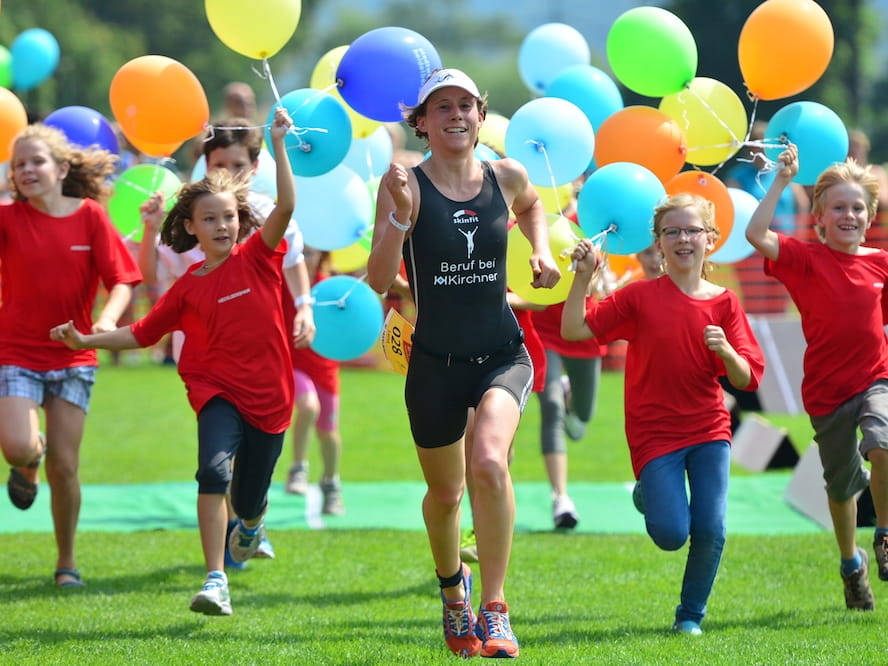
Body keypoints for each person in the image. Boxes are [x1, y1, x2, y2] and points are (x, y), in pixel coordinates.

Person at [51, 107, 297, 616]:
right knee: (212, 472)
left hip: (271, 398)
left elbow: (288, 205)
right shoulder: (186, 289)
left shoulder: (260, 256)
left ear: (240, 219)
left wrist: (279, 146)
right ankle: (215, 578)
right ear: (191, 227)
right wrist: (88, 336)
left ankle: (251, 524)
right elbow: (140, 334)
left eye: (229, 216)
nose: (222, 225)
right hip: (215, 392)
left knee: (250, 499)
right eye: (210, 218)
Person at [367, 68, 560, 658]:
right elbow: (377, 280)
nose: (454, 115)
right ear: (421, 122)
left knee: (490, 464)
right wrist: (401, 214)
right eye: (440, 107)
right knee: (446, 496)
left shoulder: (506, 175)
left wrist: (543, 252)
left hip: (502, 353)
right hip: (433, 363)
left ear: (480, 116)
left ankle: (495, 609)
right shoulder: (406, 184)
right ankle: (454, 592)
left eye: (465, 106)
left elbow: (531, 208)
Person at [562, 192, 765, 635]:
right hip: (654, 433)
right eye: (671, 232)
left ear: (710, 239)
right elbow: (574, 329)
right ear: (657, 243)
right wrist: (582, 278)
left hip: (710, 428)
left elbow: (748, 377)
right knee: (672, 534)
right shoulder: (639, 298)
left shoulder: (725, 303)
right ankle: (649, 495)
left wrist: (727, 351)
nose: (682, 239)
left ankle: (690, 616)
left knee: (711, 528)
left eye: (692, 230)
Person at [139, 116, 315, 566]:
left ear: (254, 166)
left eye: (238, 165)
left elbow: (290, 257)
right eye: (220, 163)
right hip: (205, 358)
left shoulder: (256, 221)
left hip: (259, 359)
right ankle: (223, 557)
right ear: (204, 164)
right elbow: (154, 281)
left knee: (253, 460)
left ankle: (249, 521)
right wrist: (150, 227)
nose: (228, 173)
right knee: (220, 457)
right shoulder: (194, 212)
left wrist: (306, 306)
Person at [745, 143, 888, 611]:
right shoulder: (804, 259)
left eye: (857, 207)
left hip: (875, 380)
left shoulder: (880, 264)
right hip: (826, 392)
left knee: (883, 442)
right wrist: (783, 180)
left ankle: (885, 536)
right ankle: (851, 563)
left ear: (870, 217)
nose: (849, 214)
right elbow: (756, 232)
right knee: (842, 486)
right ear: (820, 219)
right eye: (838, 208)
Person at [0, 124, 142, 587]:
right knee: (18, 446)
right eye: (18, 165)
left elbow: (122, 278)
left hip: (73, 356)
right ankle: (27, 461)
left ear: (61, 169)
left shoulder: (91, 217)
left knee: (66, 466)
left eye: (36, 161)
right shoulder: (8, 219)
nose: (26, 170)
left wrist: (106, 322)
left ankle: (66, 561)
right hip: (15, 351)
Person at [284, 248, 346, 516]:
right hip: (294, 365)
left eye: (310, 253)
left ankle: (331, 484)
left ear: (321, 255)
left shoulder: (333, 289)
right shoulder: (286, 284)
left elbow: (349, 326)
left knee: (328, 432)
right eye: (301, 252)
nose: (306, 258)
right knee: (308, 408)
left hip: (326, 369)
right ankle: (298, 468)